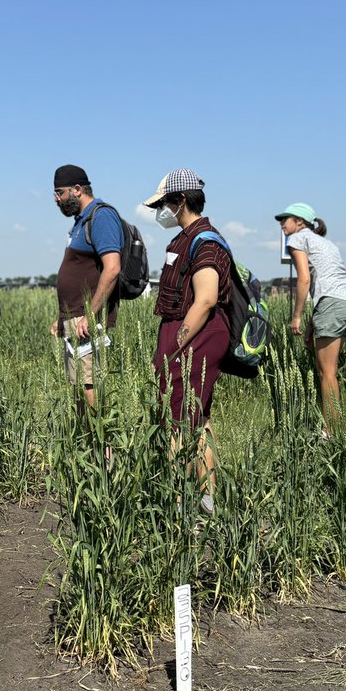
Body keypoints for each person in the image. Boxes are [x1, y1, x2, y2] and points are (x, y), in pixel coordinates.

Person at [143, 169, 231, 500]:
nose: (160, 210)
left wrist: (176, 345)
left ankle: (179, 501)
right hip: (187, 335)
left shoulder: (205, 240)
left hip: (196, 336)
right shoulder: (186, 237)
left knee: (177, 419)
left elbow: (206, 298)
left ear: (180, 200)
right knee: (197, 417)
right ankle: (207, 498)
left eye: (164, 202)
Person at [274, 202, 346, 433]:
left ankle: (331, 434)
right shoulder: (326, 243)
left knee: (326, 372)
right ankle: (334, 429)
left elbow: (304, 280)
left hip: (332, 302)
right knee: (329, 370)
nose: (282, 224)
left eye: (286, 219)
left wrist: (297, 317)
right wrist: (314, 321)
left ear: (299, 222)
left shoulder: (297, 239)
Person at [51, 164, 123, 407]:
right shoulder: (80, 221)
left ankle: (101, 444)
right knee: (78, 385)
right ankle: (86, 442)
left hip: (87, 321)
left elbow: (112, 268)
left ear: (77, 189)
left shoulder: (101, 216)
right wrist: (63, 317)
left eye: (59, 193)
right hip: (74, 319)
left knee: (88, 385)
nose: (56, 200)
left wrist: (90, 315)